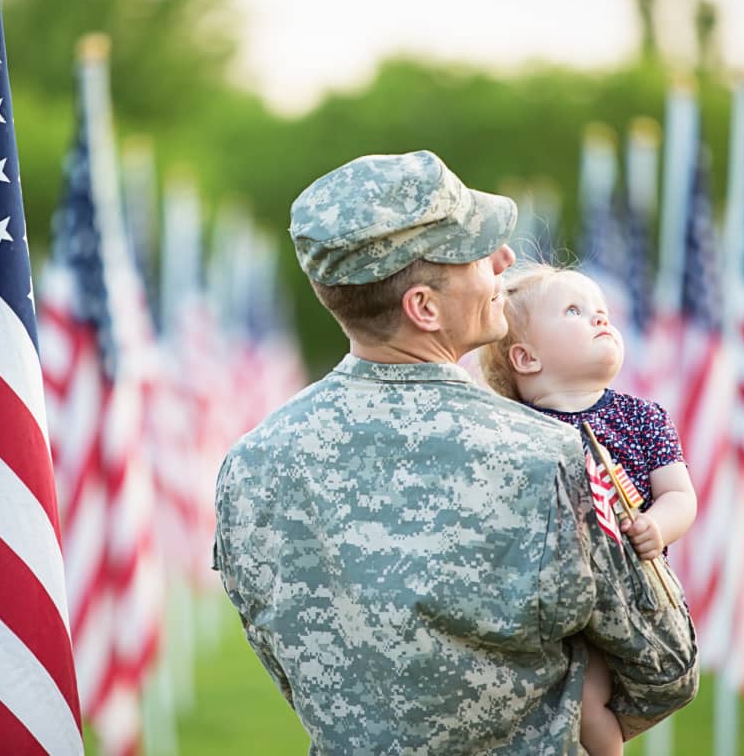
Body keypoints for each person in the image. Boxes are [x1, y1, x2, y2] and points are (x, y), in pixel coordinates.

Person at [212, 150, 698, 754]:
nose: (505, 260)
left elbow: (288, 657)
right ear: (424, 307)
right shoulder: (553, 454)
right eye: (476, 253)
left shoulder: (252, 465)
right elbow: (666, 663)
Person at [479, 263, 698, 756]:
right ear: (526, 358)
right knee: (567, 695)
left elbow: (680, 496)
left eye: (601, 310)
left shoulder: (641, 416)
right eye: (575, 311)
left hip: (625, 593)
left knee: (589, 695)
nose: (600, 317)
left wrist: (657, 526)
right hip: (548, 599)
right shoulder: (517, 431)